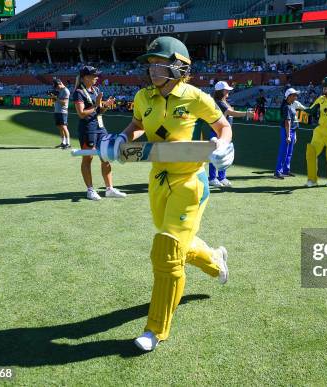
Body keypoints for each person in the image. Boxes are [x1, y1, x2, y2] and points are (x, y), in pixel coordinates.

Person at [105, 37, 233, 352]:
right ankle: (215, 260)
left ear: (178, 65)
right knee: (177, 243)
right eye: (149, 64)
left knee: (166, 250)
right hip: (158, 179)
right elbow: (137, 125)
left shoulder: (196, 97)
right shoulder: (142, 96)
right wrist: (120, 138)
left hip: (190, 181)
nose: (152, 69)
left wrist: (222, 145)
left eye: (158, 63)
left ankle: (155, 330)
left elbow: (223, 126)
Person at [73, 66, 126, 201]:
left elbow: (99, 111)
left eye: (97, 75)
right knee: (88, 158)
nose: (97, 77)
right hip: (87, 129)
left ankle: (109, 189)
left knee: (106, 156)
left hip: (100, 127)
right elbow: (81, 113)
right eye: (93, 75)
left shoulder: (96, 90)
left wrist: (106, 105)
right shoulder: (78, 92)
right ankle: (90, 190)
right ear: (85, 77)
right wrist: (97, 106)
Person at [208, 81, 253, 187]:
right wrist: (246, 113)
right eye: (226, 90)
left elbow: (230, 112)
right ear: (221, 91)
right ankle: (212, 178)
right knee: (215, 156)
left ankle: (221, 177)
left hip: (224, 133)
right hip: (217, 132)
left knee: (224, 156)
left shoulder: (223, 101)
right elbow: (231, 112)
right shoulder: (219, 102)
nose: (228, 91)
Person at [274, 88, 301, 179]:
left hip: (291, 130)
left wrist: (294, 133)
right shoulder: (286, 107)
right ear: (289, 96)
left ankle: (286, 170)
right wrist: (288, 135)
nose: (296, 97)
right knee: (284, 152)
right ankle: (278, 172)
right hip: (287, 131)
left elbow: (292, 122)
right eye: (294, 95)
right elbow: (287, 122)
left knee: (289, 152)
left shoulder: (289, 105)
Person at [52, 79, 71, 149]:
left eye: (57, 86)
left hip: (63, 112)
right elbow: (57, 101)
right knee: (60, 127)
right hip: (57, 111)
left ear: (60, 84)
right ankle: (63, 142)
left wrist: (56, 98)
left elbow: (64, 102)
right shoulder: (59, 90)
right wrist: (53, 98)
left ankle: (68, 143)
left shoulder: (66, 91)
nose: (56, 88)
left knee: (64, 127)